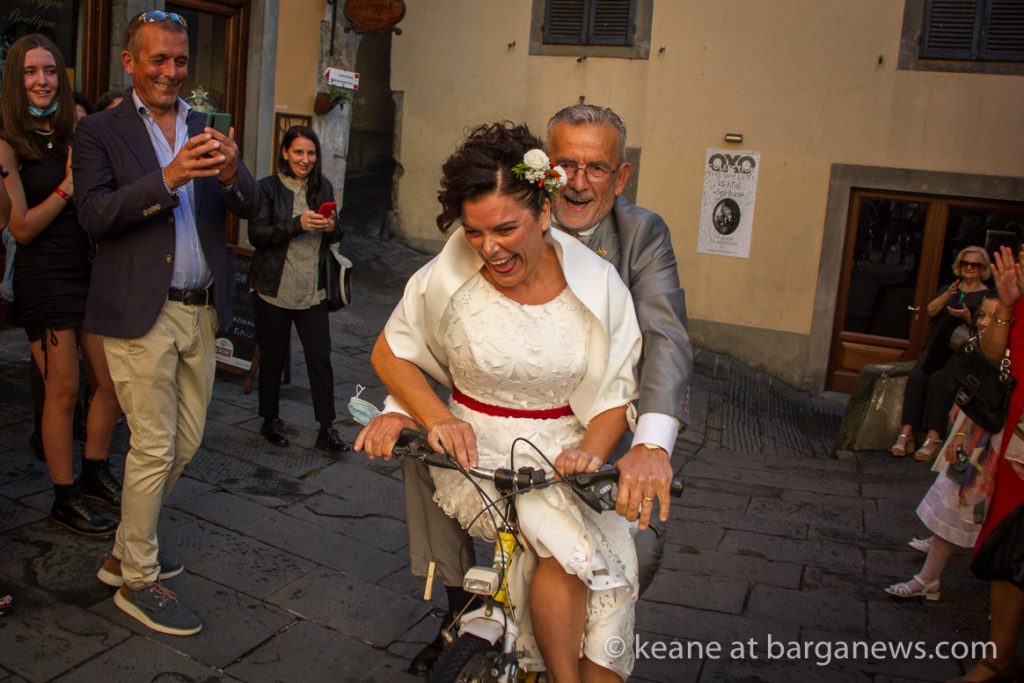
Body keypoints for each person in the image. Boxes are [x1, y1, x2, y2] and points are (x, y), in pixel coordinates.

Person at [357, 104, 692, 676]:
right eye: (475, 233)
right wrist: (419, 413)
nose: (488, 248)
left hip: (569, 449)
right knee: (565, 557)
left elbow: (642, 363)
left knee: (609, 579)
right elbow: (415, 342)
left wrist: (646, 446)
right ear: (550, 179)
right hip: (477, 448)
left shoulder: (614, 265)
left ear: (542, 213)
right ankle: (473, 631)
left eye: (505, 230)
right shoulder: (460, 260)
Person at [72, 9, 259, 636]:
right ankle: (139, 578)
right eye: (159, 60)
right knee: (154, 443)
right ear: (130, 61)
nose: (172, 72)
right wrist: (169, 176)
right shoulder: (99, 130)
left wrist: (233, 174)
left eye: (180, 60)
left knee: (186, 441)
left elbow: (254, 205)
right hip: (137, 311)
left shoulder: (206, 125)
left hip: (200, 309)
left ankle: (127, 547)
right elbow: (95, 216)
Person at [0, 34, 121, 538]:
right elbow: (21, 226)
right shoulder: (6, 142)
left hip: (88, 270)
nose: (42, 81)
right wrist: (68, 186)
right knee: (63, 390)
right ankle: (63, 497)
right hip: (43, 275)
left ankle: (94, 472)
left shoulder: (78, 132)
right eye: (31, 72)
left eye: (50, 71)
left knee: (112, 383)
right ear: (15, 79)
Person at [943, 245, 1024, 683]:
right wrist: (1007, 306)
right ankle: (1000, 657)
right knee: (1007, 548)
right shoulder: (1017, 297)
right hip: (1015, 445)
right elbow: (994, 359)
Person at [885, 292, 999, 601]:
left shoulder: (1007, 351)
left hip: (1003, 446)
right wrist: (961, 431)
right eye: (983, 315)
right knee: (954, 500)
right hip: (982, 442)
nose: (987, 322)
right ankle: (928, 578)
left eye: (995, 316)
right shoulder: (986, 347)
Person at [249, 125, 349, 453]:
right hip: (274, 290)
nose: (305, 160)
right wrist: (296, 225)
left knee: (320, 359)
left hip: (313, 291)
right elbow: (258, 235)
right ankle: (270, 420)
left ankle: (327, 428)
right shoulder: (267, 188)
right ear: (285, 153)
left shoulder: (324, 187)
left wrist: (332, 226)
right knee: (273, 358)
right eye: (298, 153)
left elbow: (336, 235)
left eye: (311, 153)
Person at [892, 246, 990, 461]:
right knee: (917, 377)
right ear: (959, 266)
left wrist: (967, 317)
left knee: (940, 381)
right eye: (965, 263)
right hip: (935, 345)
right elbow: (930, 310)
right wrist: (947, 295)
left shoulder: (986, 296)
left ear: (983, 269)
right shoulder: (950, 288)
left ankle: (934, 437)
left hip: (959, 352)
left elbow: (986, 329)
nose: (969, 268)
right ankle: (906, 433)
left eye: (975, 264)